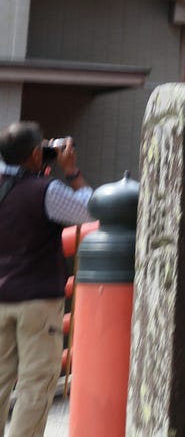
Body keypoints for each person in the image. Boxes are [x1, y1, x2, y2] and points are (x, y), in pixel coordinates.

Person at [0, 123, 93, 437]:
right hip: (37, 301)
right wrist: (72, 171)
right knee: (36, 384)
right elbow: (89, 210)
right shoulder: (45, 191)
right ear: (37, 154)